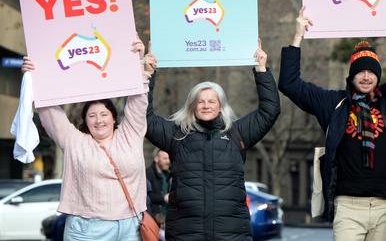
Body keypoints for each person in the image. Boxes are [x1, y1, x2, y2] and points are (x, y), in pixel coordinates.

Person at [278, 6, 386, 240]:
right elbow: (290, 84)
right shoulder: (334, 104)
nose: (366, 77)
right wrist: (297, 36)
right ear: (351, 75)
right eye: (360, 72)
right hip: (347, 206)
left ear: (378, 75)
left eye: (371, 72)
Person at [144, 40, 281, 241]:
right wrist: (148, 75)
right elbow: (143, 118)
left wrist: (261, 69)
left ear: (221, 106)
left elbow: (270, 111)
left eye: (211, 101)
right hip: (185, 233)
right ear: (192, 106)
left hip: (231, 234)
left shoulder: (237, 133)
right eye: (200, 101)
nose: (206, 106)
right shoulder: (177, 134)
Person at [22, 40, 151, 241]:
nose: (98, 120)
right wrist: (34, 77)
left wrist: (140, 66)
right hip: (87, 229)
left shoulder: (130, 135)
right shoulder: (74, 141)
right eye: (92, 116)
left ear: (114, 117)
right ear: (85, 121)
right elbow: (48, 110)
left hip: (130, 227)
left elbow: (138, 102)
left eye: (104, 114)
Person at [146, 148, 170, 221]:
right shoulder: (147, 174)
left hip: (167, 218)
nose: (168, 161)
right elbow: (146, 196)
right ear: (156, 159)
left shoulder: (167, 174)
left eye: (169, 158)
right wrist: (164, 198)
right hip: (154, 218)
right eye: (165, 158)